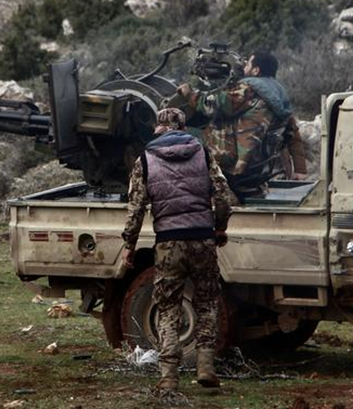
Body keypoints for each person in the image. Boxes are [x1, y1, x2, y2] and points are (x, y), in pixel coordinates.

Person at [121, 107, 233, 391]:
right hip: (202, 239)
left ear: (159, 128)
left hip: (168, 243)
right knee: (207, 302)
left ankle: (169, 376)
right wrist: (219, 229)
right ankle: (206, 366)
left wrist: (128, 246)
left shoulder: (145, 160)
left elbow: (135, 209)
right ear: (182, 127)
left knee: (168, 306)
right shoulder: (203, 153)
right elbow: (223, 195)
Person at [175, 51, 293, 194]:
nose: (244, 68)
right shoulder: (279, 93)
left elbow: (215, 105)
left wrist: (190, 94)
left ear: (256, 70)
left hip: (231, 157)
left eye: (248, 64)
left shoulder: (249, 89)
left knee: (179, 135)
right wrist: (300, 168)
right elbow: (292, 132)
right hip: (257, 163)